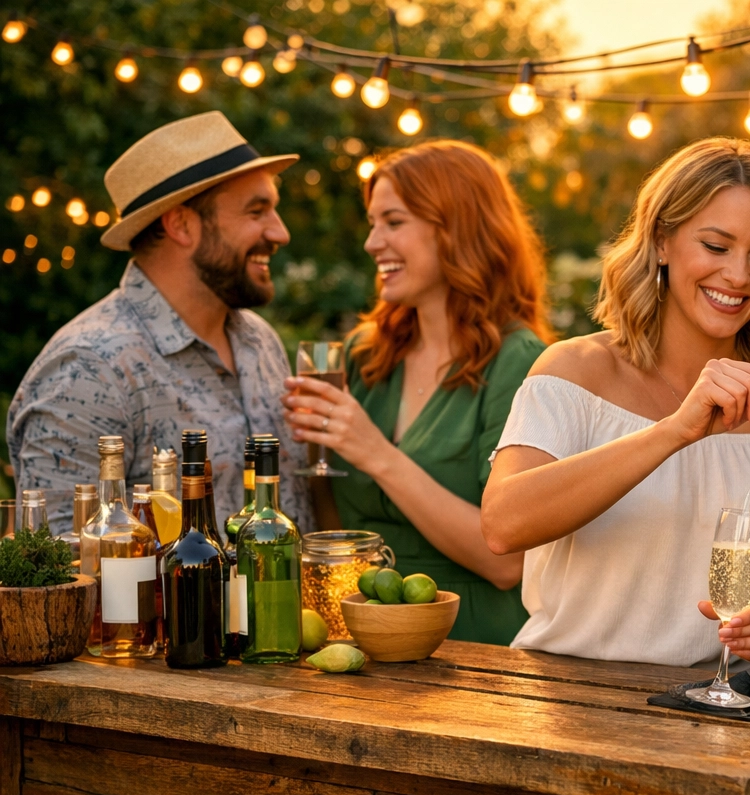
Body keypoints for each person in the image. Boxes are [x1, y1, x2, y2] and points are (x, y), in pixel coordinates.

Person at [480, 137, 750, 668]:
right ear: (662, 241)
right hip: (568, 698)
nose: (738, 276)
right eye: (715, 246)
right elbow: (504, 525)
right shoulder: (574, 370)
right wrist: (674, 430)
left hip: (733, 708)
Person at [281, 140, 547, 644]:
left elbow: (507, 561)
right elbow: (333, 511)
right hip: (365, 638)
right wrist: (316, 444)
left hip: (473, 646)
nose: (371, 242)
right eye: (372, 222)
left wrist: (375, 452)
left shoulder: (520, 363)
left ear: (456, 230)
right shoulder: (364, 356)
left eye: (394, 222)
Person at [6, 111, 314, 534]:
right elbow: (61, 577)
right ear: (182, 224)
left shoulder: (260, 341)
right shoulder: (89, 369)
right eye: (257, 211)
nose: (280, 233)